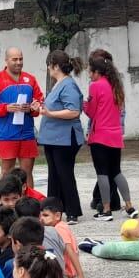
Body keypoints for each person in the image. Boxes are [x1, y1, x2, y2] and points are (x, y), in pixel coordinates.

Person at [82, 48, 133, 220]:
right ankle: (130, 206)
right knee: (116, 171)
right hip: (115, 135)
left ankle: (106, 209)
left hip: (100, 135)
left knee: (102, 173)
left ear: (97, 72)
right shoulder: (116, 85)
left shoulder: (95, 86)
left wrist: (84, 105)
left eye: (90, 72)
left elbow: (92, 112)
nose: (89, 75)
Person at [35, 50, 86, 222]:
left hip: (64, 139)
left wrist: (50, 113)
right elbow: (55, 107)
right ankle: (54, 210)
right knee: (54, 175)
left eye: (49, 65)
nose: (48, 69)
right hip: (53, 138)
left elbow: (73, 111)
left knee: (64, 174)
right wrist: (42, 108)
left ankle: (72, 210)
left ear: (55, 66)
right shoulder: (59, 84)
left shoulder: (68, 85)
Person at [0, 46, 43, 187]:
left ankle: (29, 205)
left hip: (27, 134)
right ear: (6, 60)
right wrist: (6, 108)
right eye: (14, 59)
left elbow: (39, 101)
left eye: (21, 59)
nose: (18, 62)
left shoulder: (30, 79)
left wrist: (33, 108)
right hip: (6, 135)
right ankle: (5, 206)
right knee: (6, 173)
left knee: (27, 173)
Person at [38, 197, 89, 278]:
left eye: (46, 215)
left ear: (57, 216)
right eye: (40, 215)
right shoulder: (57, 226)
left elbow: (70, 251)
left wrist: (81, 277)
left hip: (66, 271)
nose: (41, 219)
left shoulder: (59, 228)